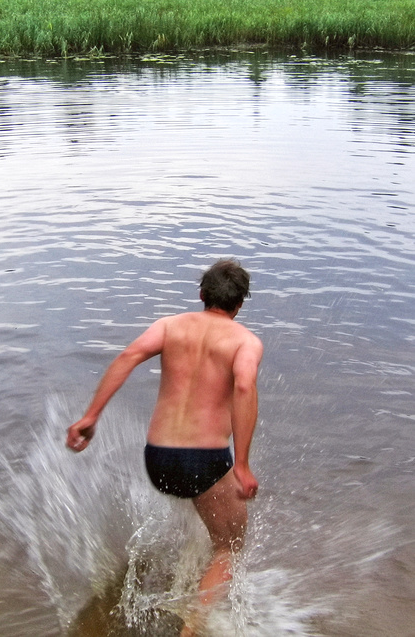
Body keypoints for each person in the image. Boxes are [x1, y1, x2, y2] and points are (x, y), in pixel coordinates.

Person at [66, 258, 263, 636]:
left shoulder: (169, 326)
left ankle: (184, 580)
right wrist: (242, 464)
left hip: (157, 458)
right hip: (203, 461)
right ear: (240, 304)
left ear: (202, 295)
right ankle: (192, 627)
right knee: (231, 543)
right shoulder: (245, 342)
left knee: (206, 509)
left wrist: (91, 416)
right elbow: (243, 386)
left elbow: (128, 357)